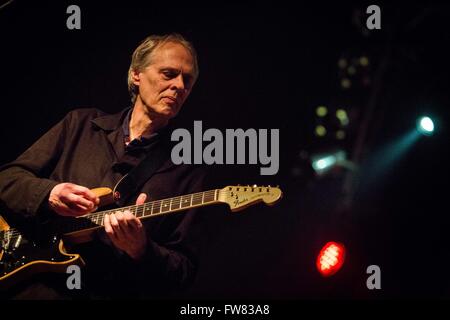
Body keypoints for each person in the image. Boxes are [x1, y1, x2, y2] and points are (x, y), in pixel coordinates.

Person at [0, 33, 206, 299]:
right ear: (136, 75)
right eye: (169, 74)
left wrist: (142, 249)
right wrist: (48, 195)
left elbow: (184, 272)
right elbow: (7, 178)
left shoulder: (187, 170)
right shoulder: (81, 124)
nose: (179, 86)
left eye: (187, 80)